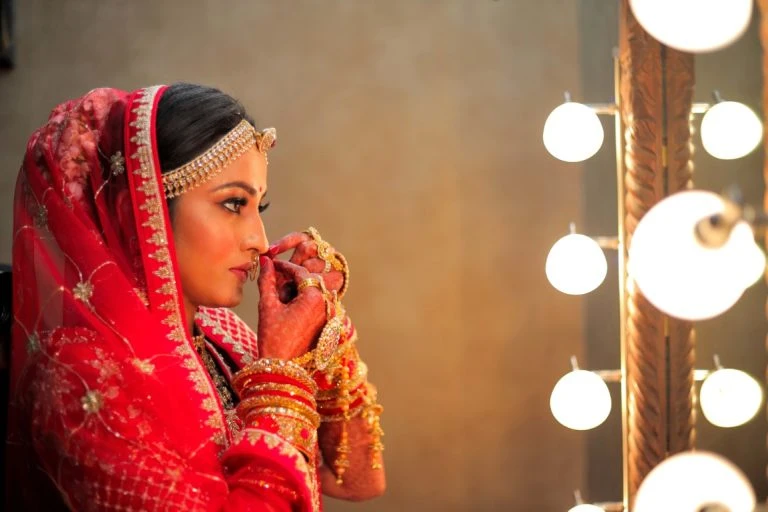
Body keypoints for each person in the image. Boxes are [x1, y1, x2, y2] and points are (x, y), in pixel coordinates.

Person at [5, 83, 385, 511]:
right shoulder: (78, 374)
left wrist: (323, 332)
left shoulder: (223, 337)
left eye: (258, 208)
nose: (260, 242)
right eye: (233, 204)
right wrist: (279, 378)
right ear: (138, 210)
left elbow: (356, 480)